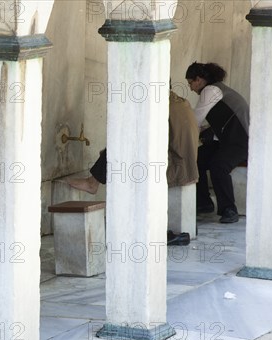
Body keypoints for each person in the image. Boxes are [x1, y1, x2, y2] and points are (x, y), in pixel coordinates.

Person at [68, 90, 200, 193]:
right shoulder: (179, 102)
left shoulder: (159, 107)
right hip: (187, 166)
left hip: (175, 166)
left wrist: (111, 151)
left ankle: (92, 183)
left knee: (118, 150)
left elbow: (137, 138)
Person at [185, 62, 249, 223]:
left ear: (199, 79)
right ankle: (204, 203)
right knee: (197, 159)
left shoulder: (211, 90)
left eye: (191, 83)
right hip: (227, 141)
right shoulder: (217, 89)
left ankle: (229, 209)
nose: (191, 88)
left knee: (218, 166)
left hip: (240, 142)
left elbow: (195, 120)